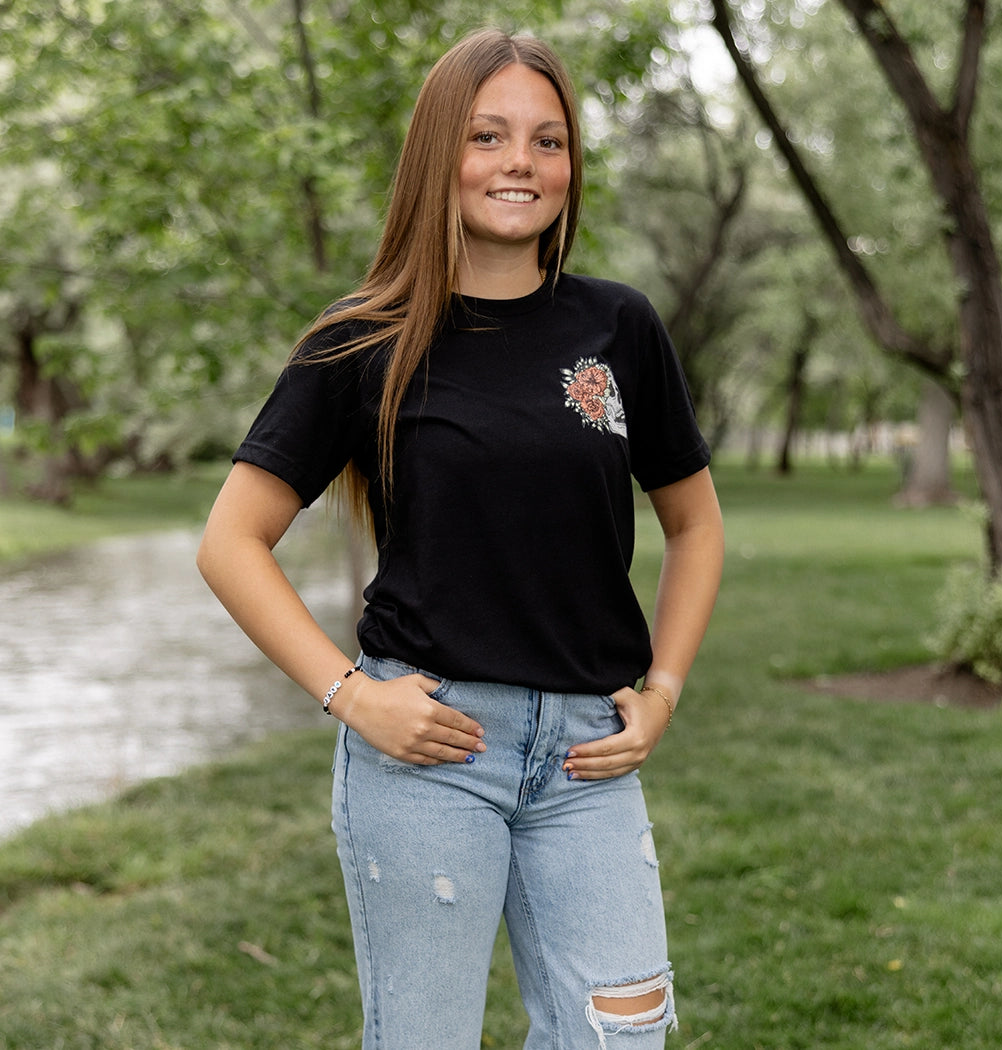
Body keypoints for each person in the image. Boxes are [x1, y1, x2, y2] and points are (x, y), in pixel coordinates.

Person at [197, 26, 723, 1050]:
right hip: (430, 750)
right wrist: (350, 697)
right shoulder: (363, 340)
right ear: (440, 152)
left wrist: (662, 691)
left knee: (623, 1031)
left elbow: (695, 521)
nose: (520, 163)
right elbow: (230, 541)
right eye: (488, 135)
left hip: (588, 757)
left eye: (548, 140)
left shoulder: (620, 328)